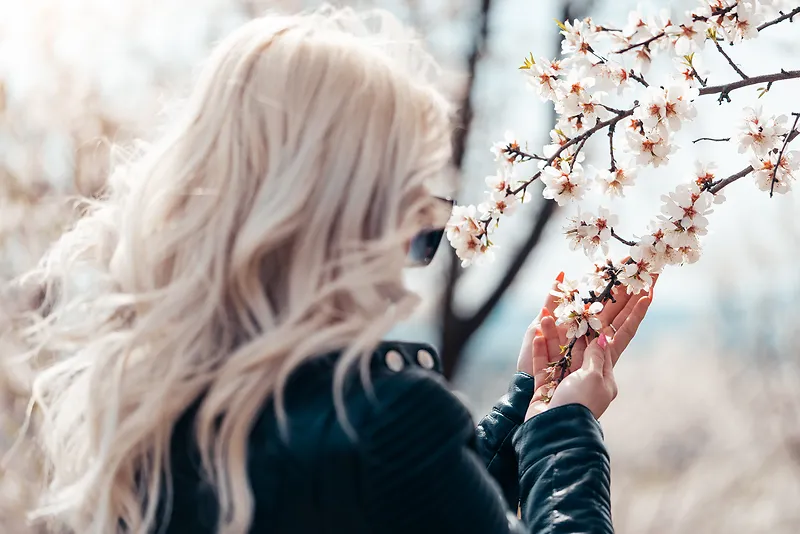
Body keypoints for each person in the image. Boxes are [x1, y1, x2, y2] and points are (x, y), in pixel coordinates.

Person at [16, 6, 653, 534]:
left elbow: (401, 507)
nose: (410, 265)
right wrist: (564, 436)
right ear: (339, 217)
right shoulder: (387, 423)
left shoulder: (151, 414)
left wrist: (524, 409)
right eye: (413, 218)